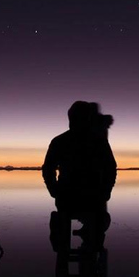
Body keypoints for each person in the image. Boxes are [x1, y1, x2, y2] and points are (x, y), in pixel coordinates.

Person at [43, 101, 116, 251]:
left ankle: (79, 249)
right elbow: (110, 168)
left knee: (97, 221)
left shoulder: (60, 141)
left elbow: (48, 169)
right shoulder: (98, 141)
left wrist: (54, 190)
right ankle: (86, 250)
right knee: (99, 221)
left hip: (75, 199)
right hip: (83, 199)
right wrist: (106, 191)